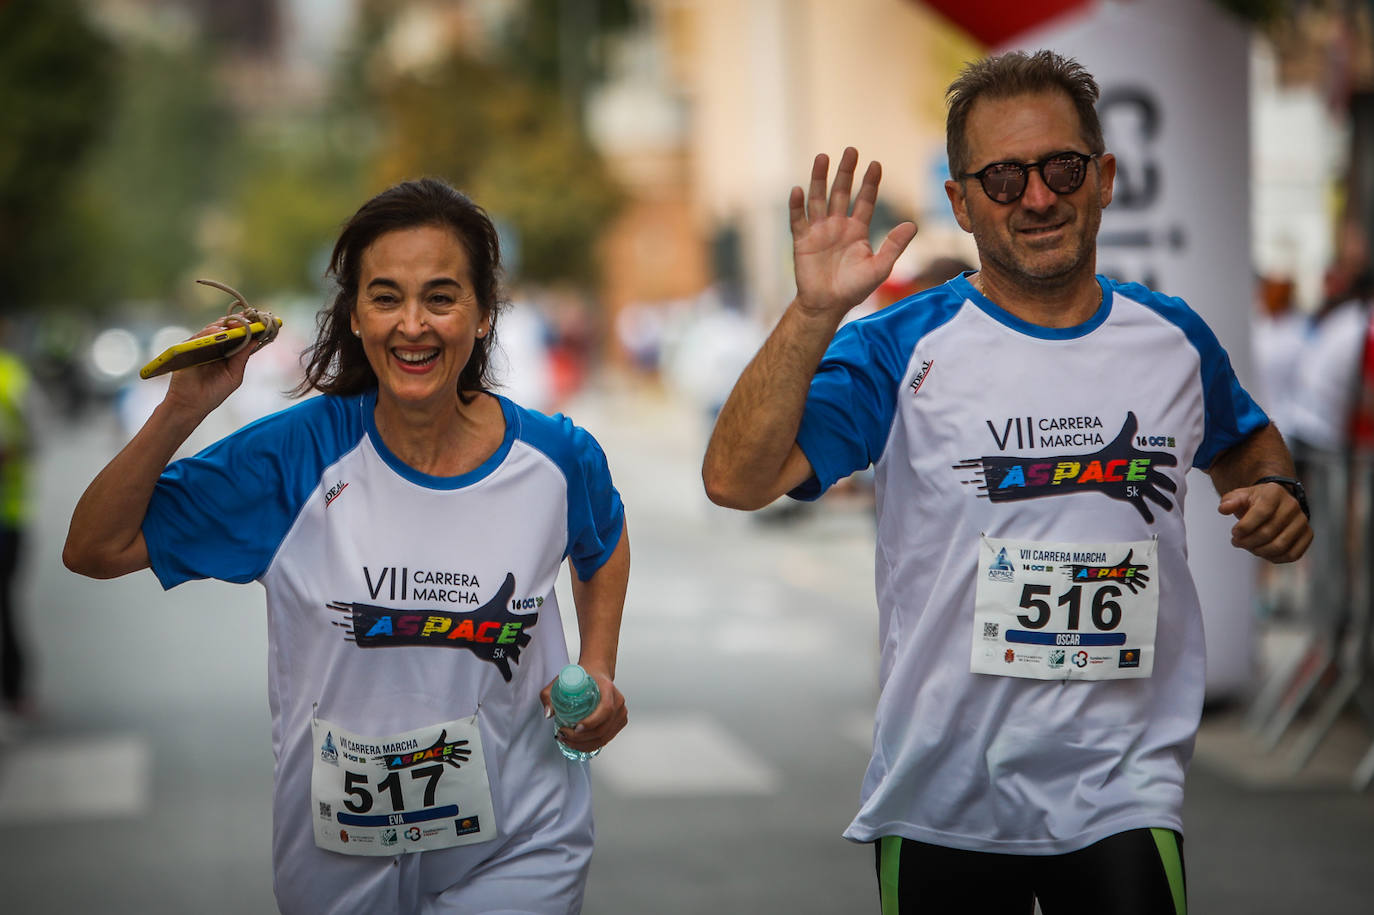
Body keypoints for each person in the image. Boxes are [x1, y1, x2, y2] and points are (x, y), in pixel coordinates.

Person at [702, 50, 1312, 914]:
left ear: (1102, 177)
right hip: (945, 795)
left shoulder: (1170, 337)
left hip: (1123, 789)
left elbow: (1247, 440)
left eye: (1062, 167)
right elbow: (734, 478)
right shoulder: (898, 346)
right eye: (1002, 177)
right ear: (960, 200)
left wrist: (1281, 491)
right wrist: (812, 314)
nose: (1037, 196)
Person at [64, 178, 630, 914]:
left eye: (441, 296)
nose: (413, 325)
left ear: (485, 314)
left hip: (522, 840)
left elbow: (603, 541)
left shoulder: (555, 458)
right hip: (337, 853)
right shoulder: (294, 458)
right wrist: (182, 408)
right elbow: (94, 546)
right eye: (386, 297)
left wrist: (598, 667)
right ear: (356, 317)